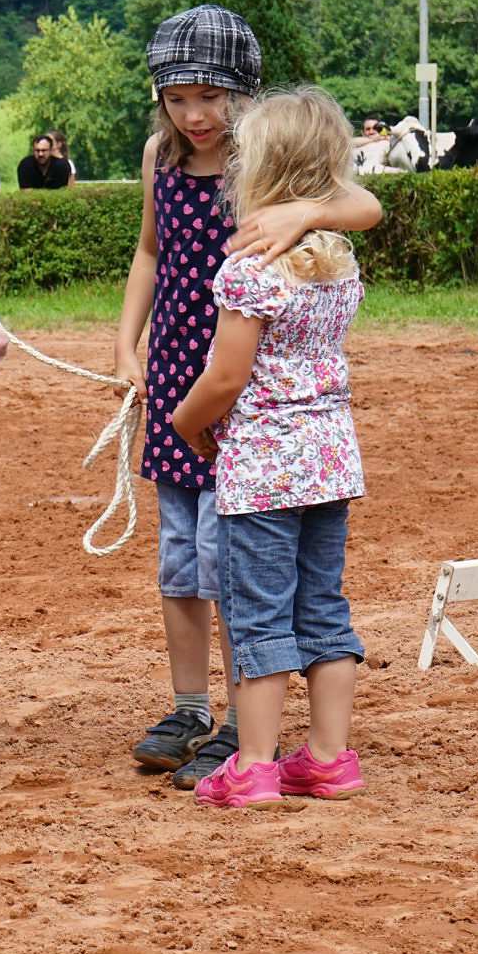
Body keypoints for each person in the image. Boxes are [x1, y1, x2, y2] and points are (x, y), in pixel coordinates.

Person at [110, 4, 381, 793]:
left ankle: (240, 722)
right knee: (181, 554)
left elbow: (367, 207)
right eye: (177, 98)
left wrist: (310, 208)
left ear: (244, 93)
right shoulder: (160, 157)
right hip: (181, 382)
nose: (194, 114)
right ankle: (189, 707)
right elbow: (149, 252)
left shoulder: (269, 158)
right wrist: (126, 342)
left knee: (231, 558)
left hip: (245, 393)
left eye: (210, 96)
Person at [167, 87, 368, 808]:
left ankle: (253, 765)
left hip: (261, 471)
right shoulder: (339, 262)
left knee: (256, 614)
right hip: (329, 463)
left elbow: (226, 376)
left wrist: (184, 422)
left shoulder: (248, 271)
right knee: (323, 609)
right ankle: (329, 758)